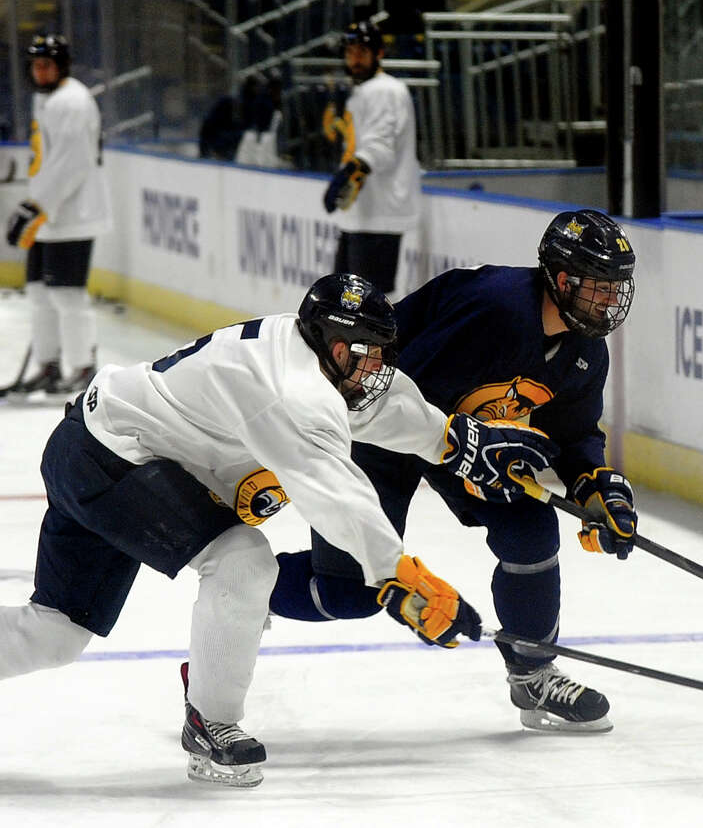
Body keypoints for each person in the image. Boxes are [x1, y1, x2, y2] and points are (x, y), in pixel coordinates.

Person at [0, 272, 557, 787]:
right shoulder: (290, 390)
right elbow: (336, 494)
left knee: (52, 636)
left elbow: (390, 407)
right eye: (369, 357)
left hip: (95, 440)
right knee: (242, 561)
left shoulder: (321, 359)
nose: (378, 369)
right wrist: (400, 576)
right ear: (337, 348)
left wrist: (457, 443)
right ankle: (209, 721)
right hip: (111, 458)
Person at [269, 209, 639, 733]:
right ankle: (244, 587)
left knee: (532, 529)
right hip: (381, 427)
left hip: (468, 438)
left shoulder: (585, 350)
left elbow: (574, 432)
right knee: (348, 594)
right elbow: (391, 395)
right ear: (560, 280)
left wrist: (598, 490)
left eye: (616, 288)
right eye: (598, 287)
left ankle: (533, 674)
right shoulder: (495, 307)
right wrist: (468, 449)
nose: (609, 300)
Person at [3, 33, 112, 397]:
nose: (40, 71)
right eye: (36, 65)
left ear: (61, 66)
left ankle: (82, 368)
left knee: (67, 295)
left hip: (74, 214)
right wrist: (35, 207)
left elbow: (72, 164)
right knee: (37, 291)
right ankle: (48, 366)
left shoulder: (73, 102)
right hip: (49, 215)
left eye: (47, 64)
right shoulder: (46, 98)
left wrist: (34, 207)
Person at [321, 19, 421, 296]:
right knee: (345, 300)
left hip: (380, 214)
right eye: (350, 52)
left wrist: (346, 174)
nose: (354, 58)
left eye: (362, 52)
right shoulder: (362, 91)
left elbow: (380, 147)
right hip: (363, 214)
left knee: (366, 303)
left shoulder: (385, 90)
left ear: (379, 54)